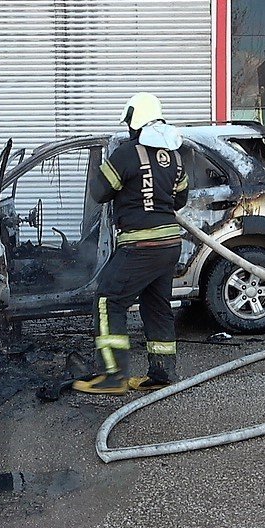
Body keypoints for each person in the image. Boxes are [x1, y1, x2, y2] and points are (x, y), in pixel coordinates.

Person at [73, 93, 188, 395]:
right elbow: (180, 199)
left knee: (109, 300)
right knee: (157, 306)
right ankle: (162, 374)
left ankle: (113, 376)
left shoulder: (126, 154)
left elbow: (99, 192)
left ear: (135, 122)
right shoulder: (175, 156)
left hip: (140, 246)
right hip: (169, 245)